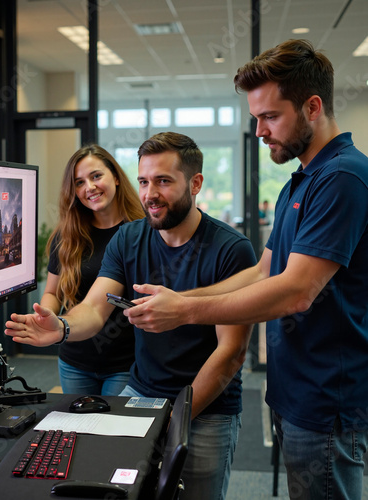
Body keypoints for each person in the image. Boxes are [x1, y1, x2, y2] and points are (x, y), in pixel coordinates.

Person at [125, 40, 368, 500]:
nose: (259, 130)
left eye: (270, 116)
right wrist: (180, 298)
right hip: (294, 390)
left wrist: (183, 313)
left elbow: (296, 292)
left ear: (312, 107)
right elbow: (265, 272)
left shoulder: (342, 178)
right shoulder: (302, 178)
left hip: (326, 399)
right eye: (256, 117)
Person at [5, 132, 257, 500]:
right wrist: (61, 328)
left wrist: (175, 418)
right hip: (142, 396)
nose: (150, 193)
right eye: (144, 181)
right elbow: (94, 307)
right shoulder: (129, 239)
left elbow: (231, 352)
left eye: (164, 181)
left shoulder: (231, 250)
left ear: (196, 183)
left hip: (206, 412)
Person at [40, 144, 143, 395]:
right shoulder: (67, 237)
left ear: (116, 177)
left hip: (126, 363)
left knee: (114, 432)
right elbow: (53, 293)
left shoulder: (142, 231)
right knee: (78, 433)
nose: (90, 187)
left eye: (96, 176)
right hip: (74, 360)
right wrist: (44, 316)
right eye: (79, 182)